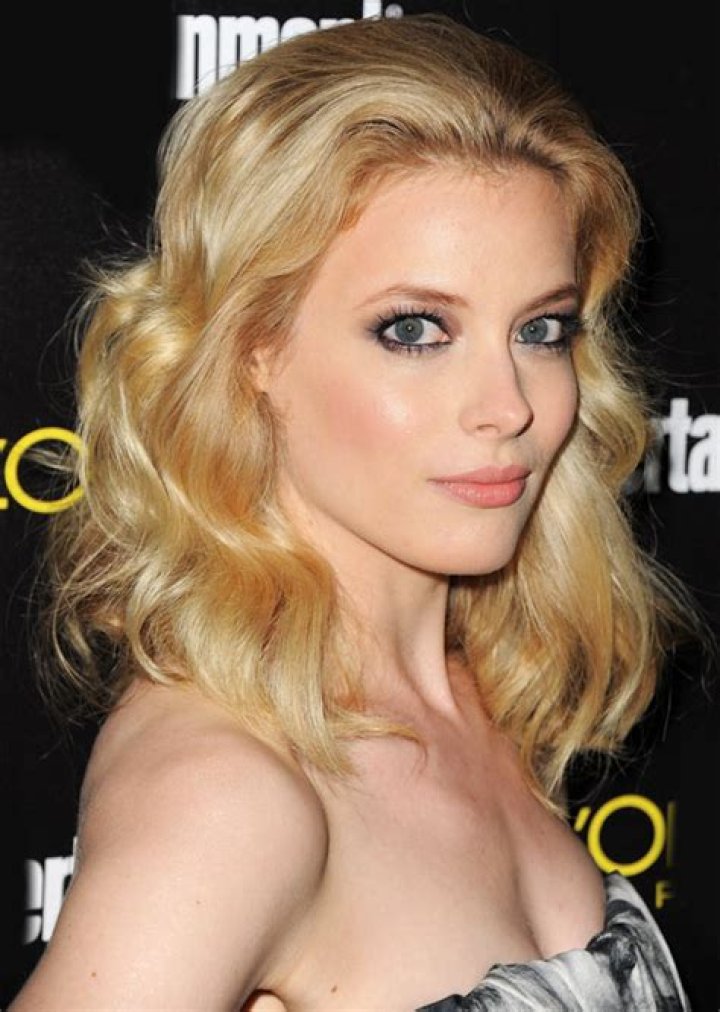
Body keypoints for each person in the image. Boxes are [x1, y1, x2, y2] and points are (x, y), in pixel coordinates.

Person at [10, 13, 694, 1011]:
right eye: (415, 330)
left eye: (541, 330)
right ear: (256, 349)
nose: (507, 406)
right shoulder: (229, 791)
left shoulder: (478, 698)